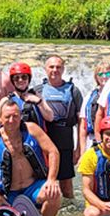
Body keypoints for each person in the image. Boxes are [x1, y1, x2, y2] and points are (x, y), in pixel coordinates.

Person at [0, 99, 62, 216]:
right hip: (10, 194)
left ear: (21, 116)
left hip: (33, 187)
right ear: (1, 119)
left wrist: (51, 180)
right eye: (7, 117)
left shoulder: (32, 129)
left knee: (54, 194)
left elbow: (53, 151)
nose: (11, 120)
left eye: (15, 116)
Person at [35, 55, 84, 202]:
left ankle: (71, 209)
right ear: (45, 69)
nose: (55, 70)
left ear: (63, 69)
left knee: (66, 185)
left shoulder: (73, 91)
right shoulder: (37, 90)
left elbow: (81, 122)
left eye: (58, 67)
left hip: (65, 141)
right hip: (44, 141)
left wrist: (78, 149)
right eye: (51, 67)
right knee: (44, 181)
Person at [83, 61, 110, 162]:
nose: (104, 76)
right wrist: (82, 149)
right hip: (92, 139)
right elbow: (82, 124)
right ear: (96, 77)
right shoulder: (89, 96)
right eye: (101, 74)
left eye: (108, 73)